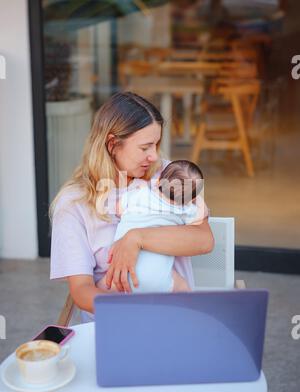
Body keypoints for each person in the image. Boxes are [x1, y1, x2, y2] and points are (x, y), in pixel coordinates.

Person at [50, 92, 214, 323]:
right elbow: (82, 290)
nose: (154, 155)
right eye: (145, 147)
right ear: (112, 144)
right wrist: (134, 314)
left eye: (156, 144)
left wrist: (136, 238)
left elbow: (204, 240)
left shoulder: (169, 176)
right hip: (116, 322)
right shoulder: (74, 203)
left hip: (175, 316)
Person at [100, 159, 207, 293]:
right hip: (159, 281)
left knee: (101, 288)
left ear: (158, 182)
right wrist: (198, 203)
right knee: (183, 287)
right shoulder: (185, 210)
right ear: (191, 199)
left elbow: (119, 209)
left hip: (121, 274)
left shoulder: (139, 194)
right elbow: (202, 215)